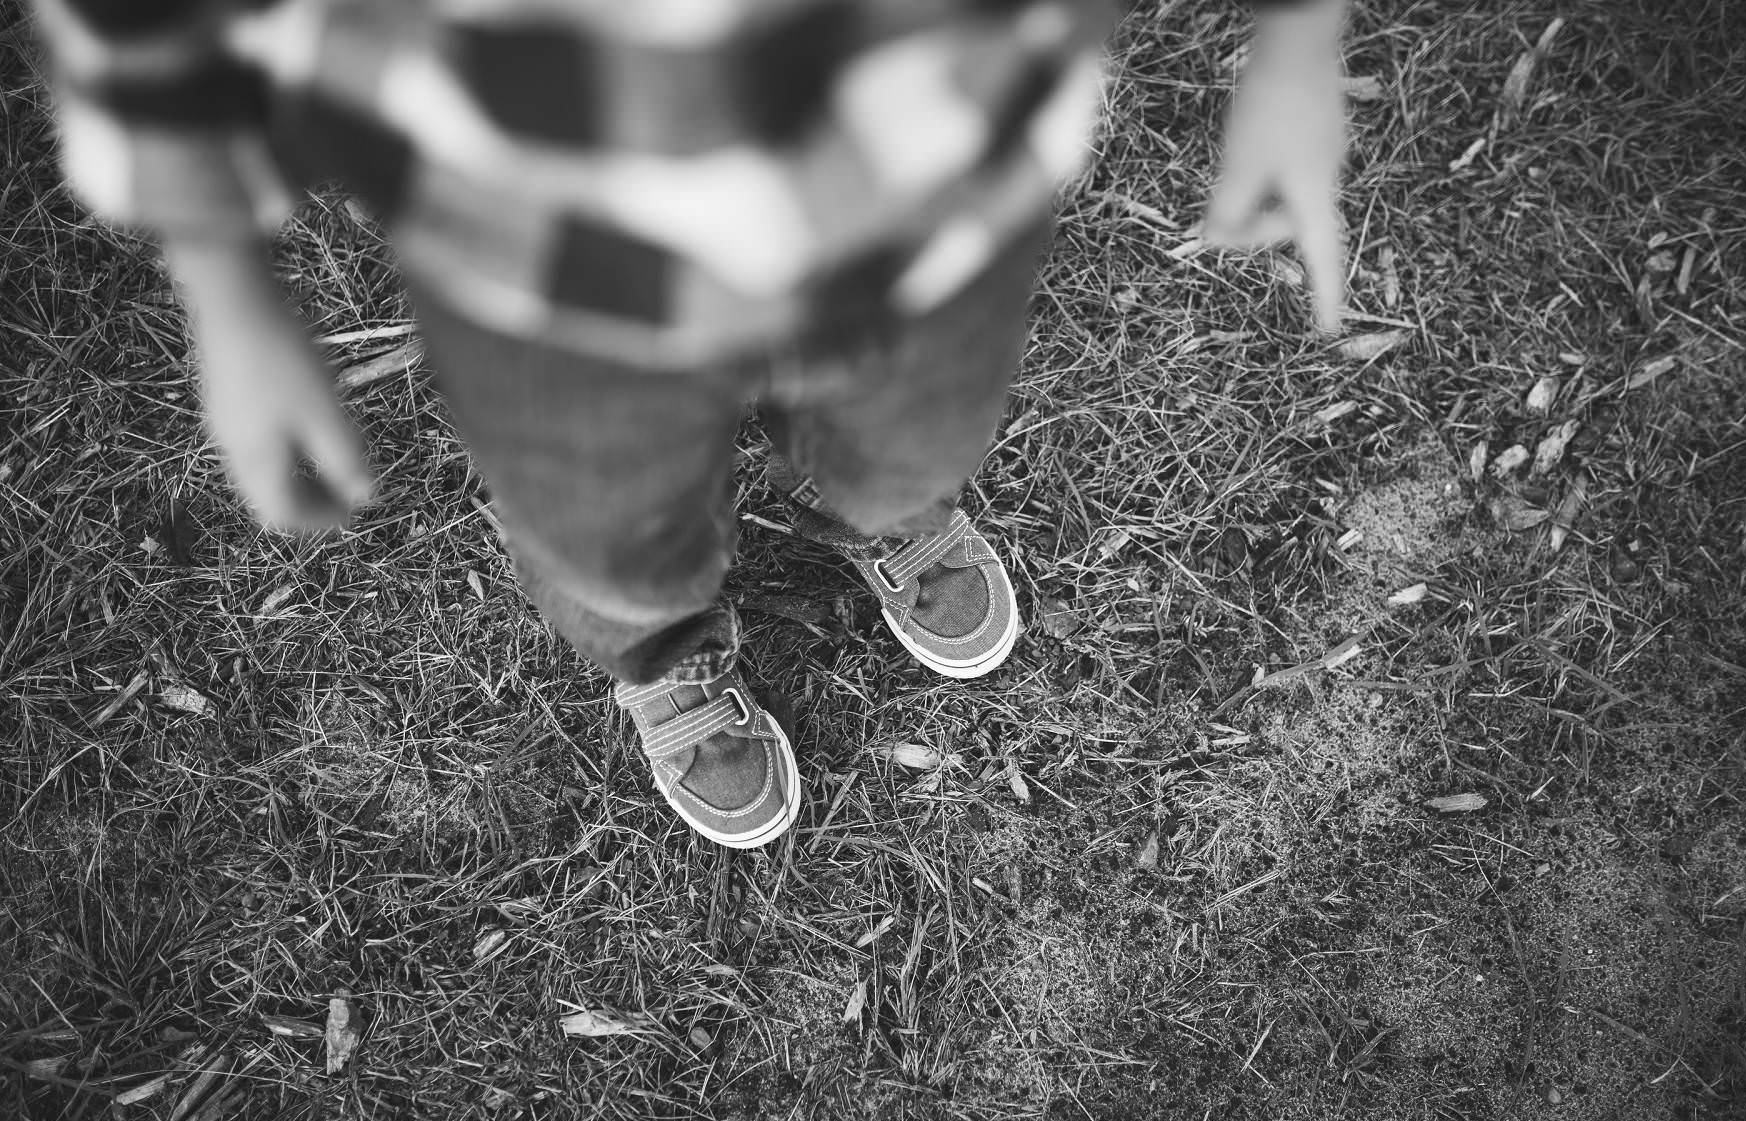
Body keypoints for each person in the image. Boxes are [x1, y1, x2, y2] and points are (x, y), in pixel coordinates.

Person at [26, 0, 1348, 848]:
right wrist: (216, 267)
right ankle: (660, 648)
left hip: (932, 181)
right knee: (604, 529)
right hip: (535, 248)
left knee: (913, 436)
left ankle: (893, 508)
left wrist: (1298, 41)